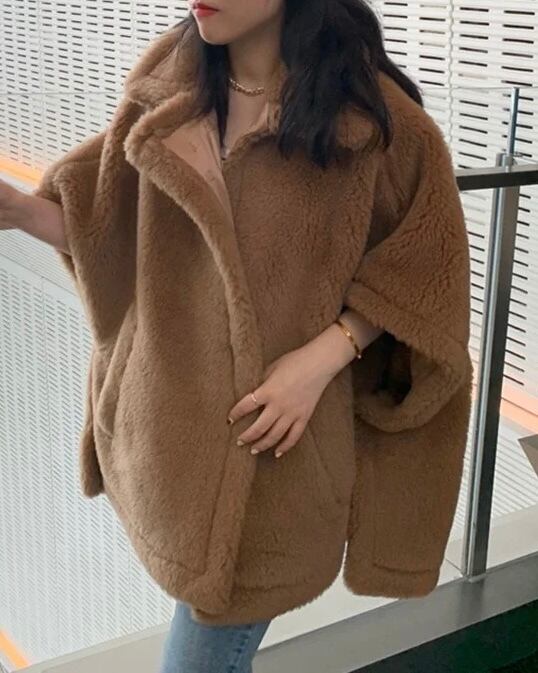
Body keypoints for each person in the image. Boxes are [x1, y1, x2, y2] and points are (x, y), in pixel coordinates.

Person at [0, 0, 473, 671]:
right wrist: (21, 211)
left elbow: (423, 274)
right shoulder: (169, 83)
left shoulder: (367, 120)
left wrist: (323, 356)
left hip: (276, 460)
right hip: (171, 436)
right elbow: (112, 226)